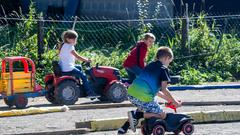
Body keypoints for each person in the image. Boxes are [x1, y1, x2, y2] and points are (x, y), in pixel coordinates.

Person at [117, 46, 181, 134]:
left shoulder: (150, 65)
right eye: (170, 61)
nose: (169, 64)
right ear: (167, 58)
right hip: (143, 97)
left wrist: (170, 101)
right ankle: (138, 115)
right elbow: (164, 89)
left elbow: (156, 92)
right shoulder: (164, 69)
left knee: (142, 107)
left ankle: (123, 128)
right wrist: (175, 102)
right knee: (162, 115)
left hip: (131, 94)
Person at [58, 30, 99, 98]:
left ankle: (79, 87)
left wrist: (81, 59)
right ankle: (90, 93)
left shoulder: (63, 45)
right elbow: (77, 56)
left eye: (75, 38)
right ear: (67, 39)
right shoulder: (70, 46)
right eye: (73, 38)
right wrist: (87, 60)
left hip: (64, 67)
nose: (75, 40)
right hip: (68, 69)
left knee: (79, 67)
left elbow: (69, 56)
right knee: (83, 76)